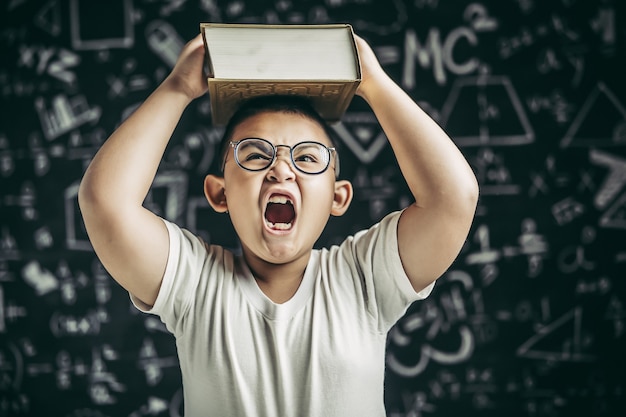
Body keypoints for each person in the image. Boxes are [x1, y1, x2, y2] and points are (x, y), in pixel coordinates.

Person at [78, 29, 479, 417]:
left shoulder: (364, 278)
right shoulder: (195, 282)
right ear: (219, 193)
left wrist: (374, 84)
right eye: (254, 155)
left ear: (338, 197)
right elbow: (105, 203)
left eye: (307, 158)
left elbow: (453, 200)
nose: (281, 169)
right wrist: (178, 87)